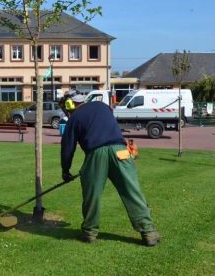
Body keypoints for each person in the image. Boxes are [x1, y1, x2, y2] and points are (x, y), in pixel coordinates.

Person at [60, 91, 161, 246]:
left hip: (97, 154)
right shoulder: (103, 106)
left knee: (92, 195)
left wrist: (65, 170)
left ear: (70, 105)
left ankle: (89, 233)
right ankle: (149, 232)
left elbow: (67, 148)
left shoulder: (74, 118)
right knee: (132, 191)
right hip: (121, 150)